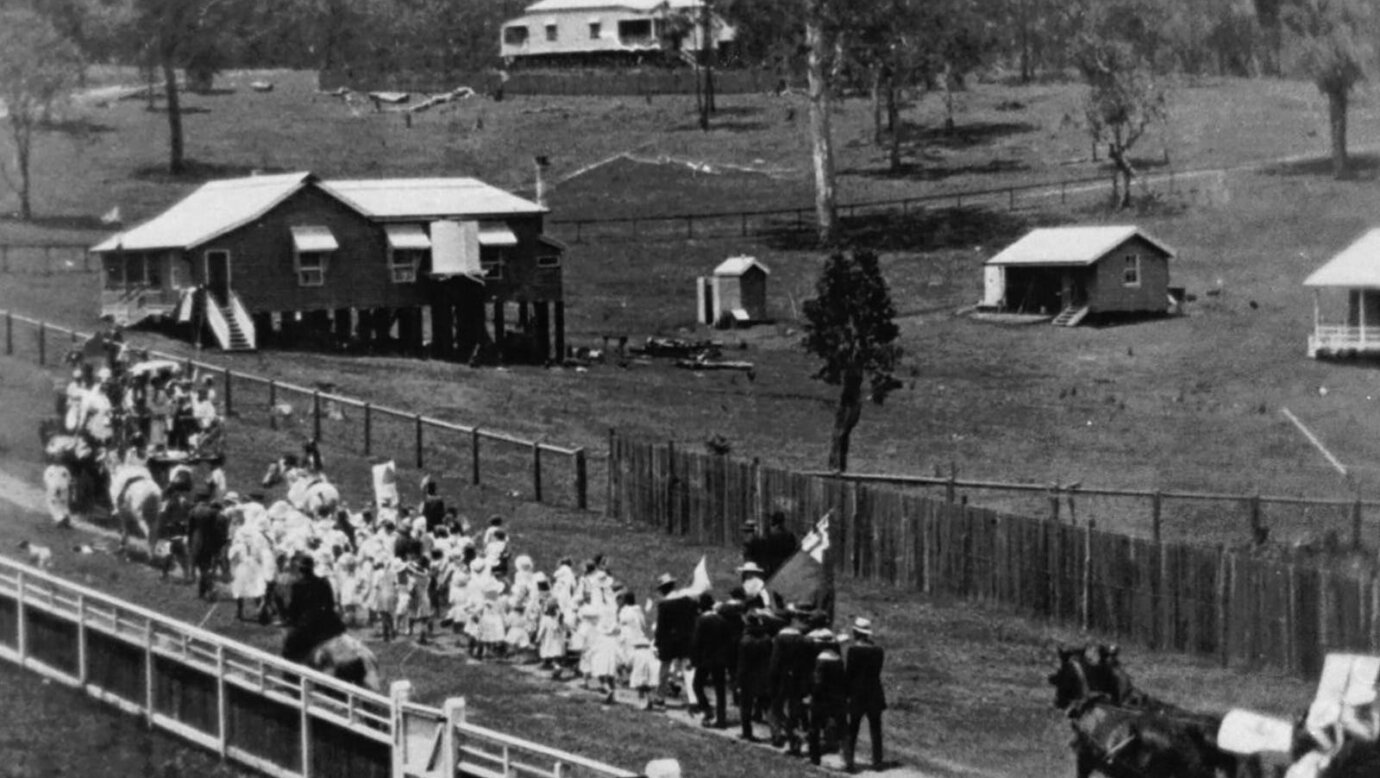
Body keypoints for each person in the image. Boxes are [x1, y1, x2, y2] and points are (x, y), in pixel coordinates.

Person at [282, 554, 344, 663]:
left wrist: (289, 619)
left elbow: (293, 609)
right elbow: (330, 603)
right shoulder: (324, 582)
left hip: (308, 626)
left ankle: (291, 676)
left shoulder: (297, 586)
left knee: (289, 647)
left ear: (300, 569)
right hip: (330, 623)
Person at [843, 617, 886, 773]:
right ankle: (878, 761)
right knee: (876, 729)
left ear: (856, 633)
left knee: (853, 728)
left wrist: (845, 693)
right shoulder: (878, 651)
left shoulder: (853, 651)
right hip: (874, 693)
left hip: (857, 694)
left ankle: (849, 761)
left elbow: (849, 674)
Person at [652, 573, 697, 708]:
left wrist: (657, 643)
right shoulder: (688, 601)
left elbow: (661, 627)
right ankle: (693, 699)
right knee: (687, 670)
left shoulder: (664, 605)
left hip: (668, 641)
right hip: (685, 639)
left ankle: (660, 697)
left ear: (663, 590)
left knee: (664, 670)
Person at [690, 593, 731, 728]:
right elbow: (727, 641)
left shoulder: (701, 620)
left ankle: (707, 710)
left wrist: (694, 660)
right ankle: (721, 719)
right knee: (720, 690)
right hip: (720, 659)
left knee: (697, 685)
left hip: (705, 659)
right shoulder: (722, 620)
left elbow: (696, 642)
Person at [808, 629, 847, 766]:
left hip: (821, 700)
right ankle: (846, 757)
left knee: (814, 728)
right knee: (842, 728)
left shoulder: (821, 660)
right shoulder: (838, 659)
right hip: (837, 698)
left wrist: (812, 695)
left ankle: (814, 757)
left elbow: (818, 682)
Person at [737, 611, 774, 742]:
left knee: (746, 706)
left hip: (748, 678)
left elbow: (742, 665)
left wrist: (738, 683)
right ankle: (776, 733)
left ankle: (747, 733)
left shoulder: (745, 640)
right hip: (764, 676)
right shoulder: (767, 638)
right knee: (767, 705)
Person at [762, 512, 798, 578]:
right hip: (786, 568)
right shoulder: (790, 535)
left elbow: (766, 554)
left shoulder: (770, 536)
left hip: (773, 569)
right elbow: (793, 552)